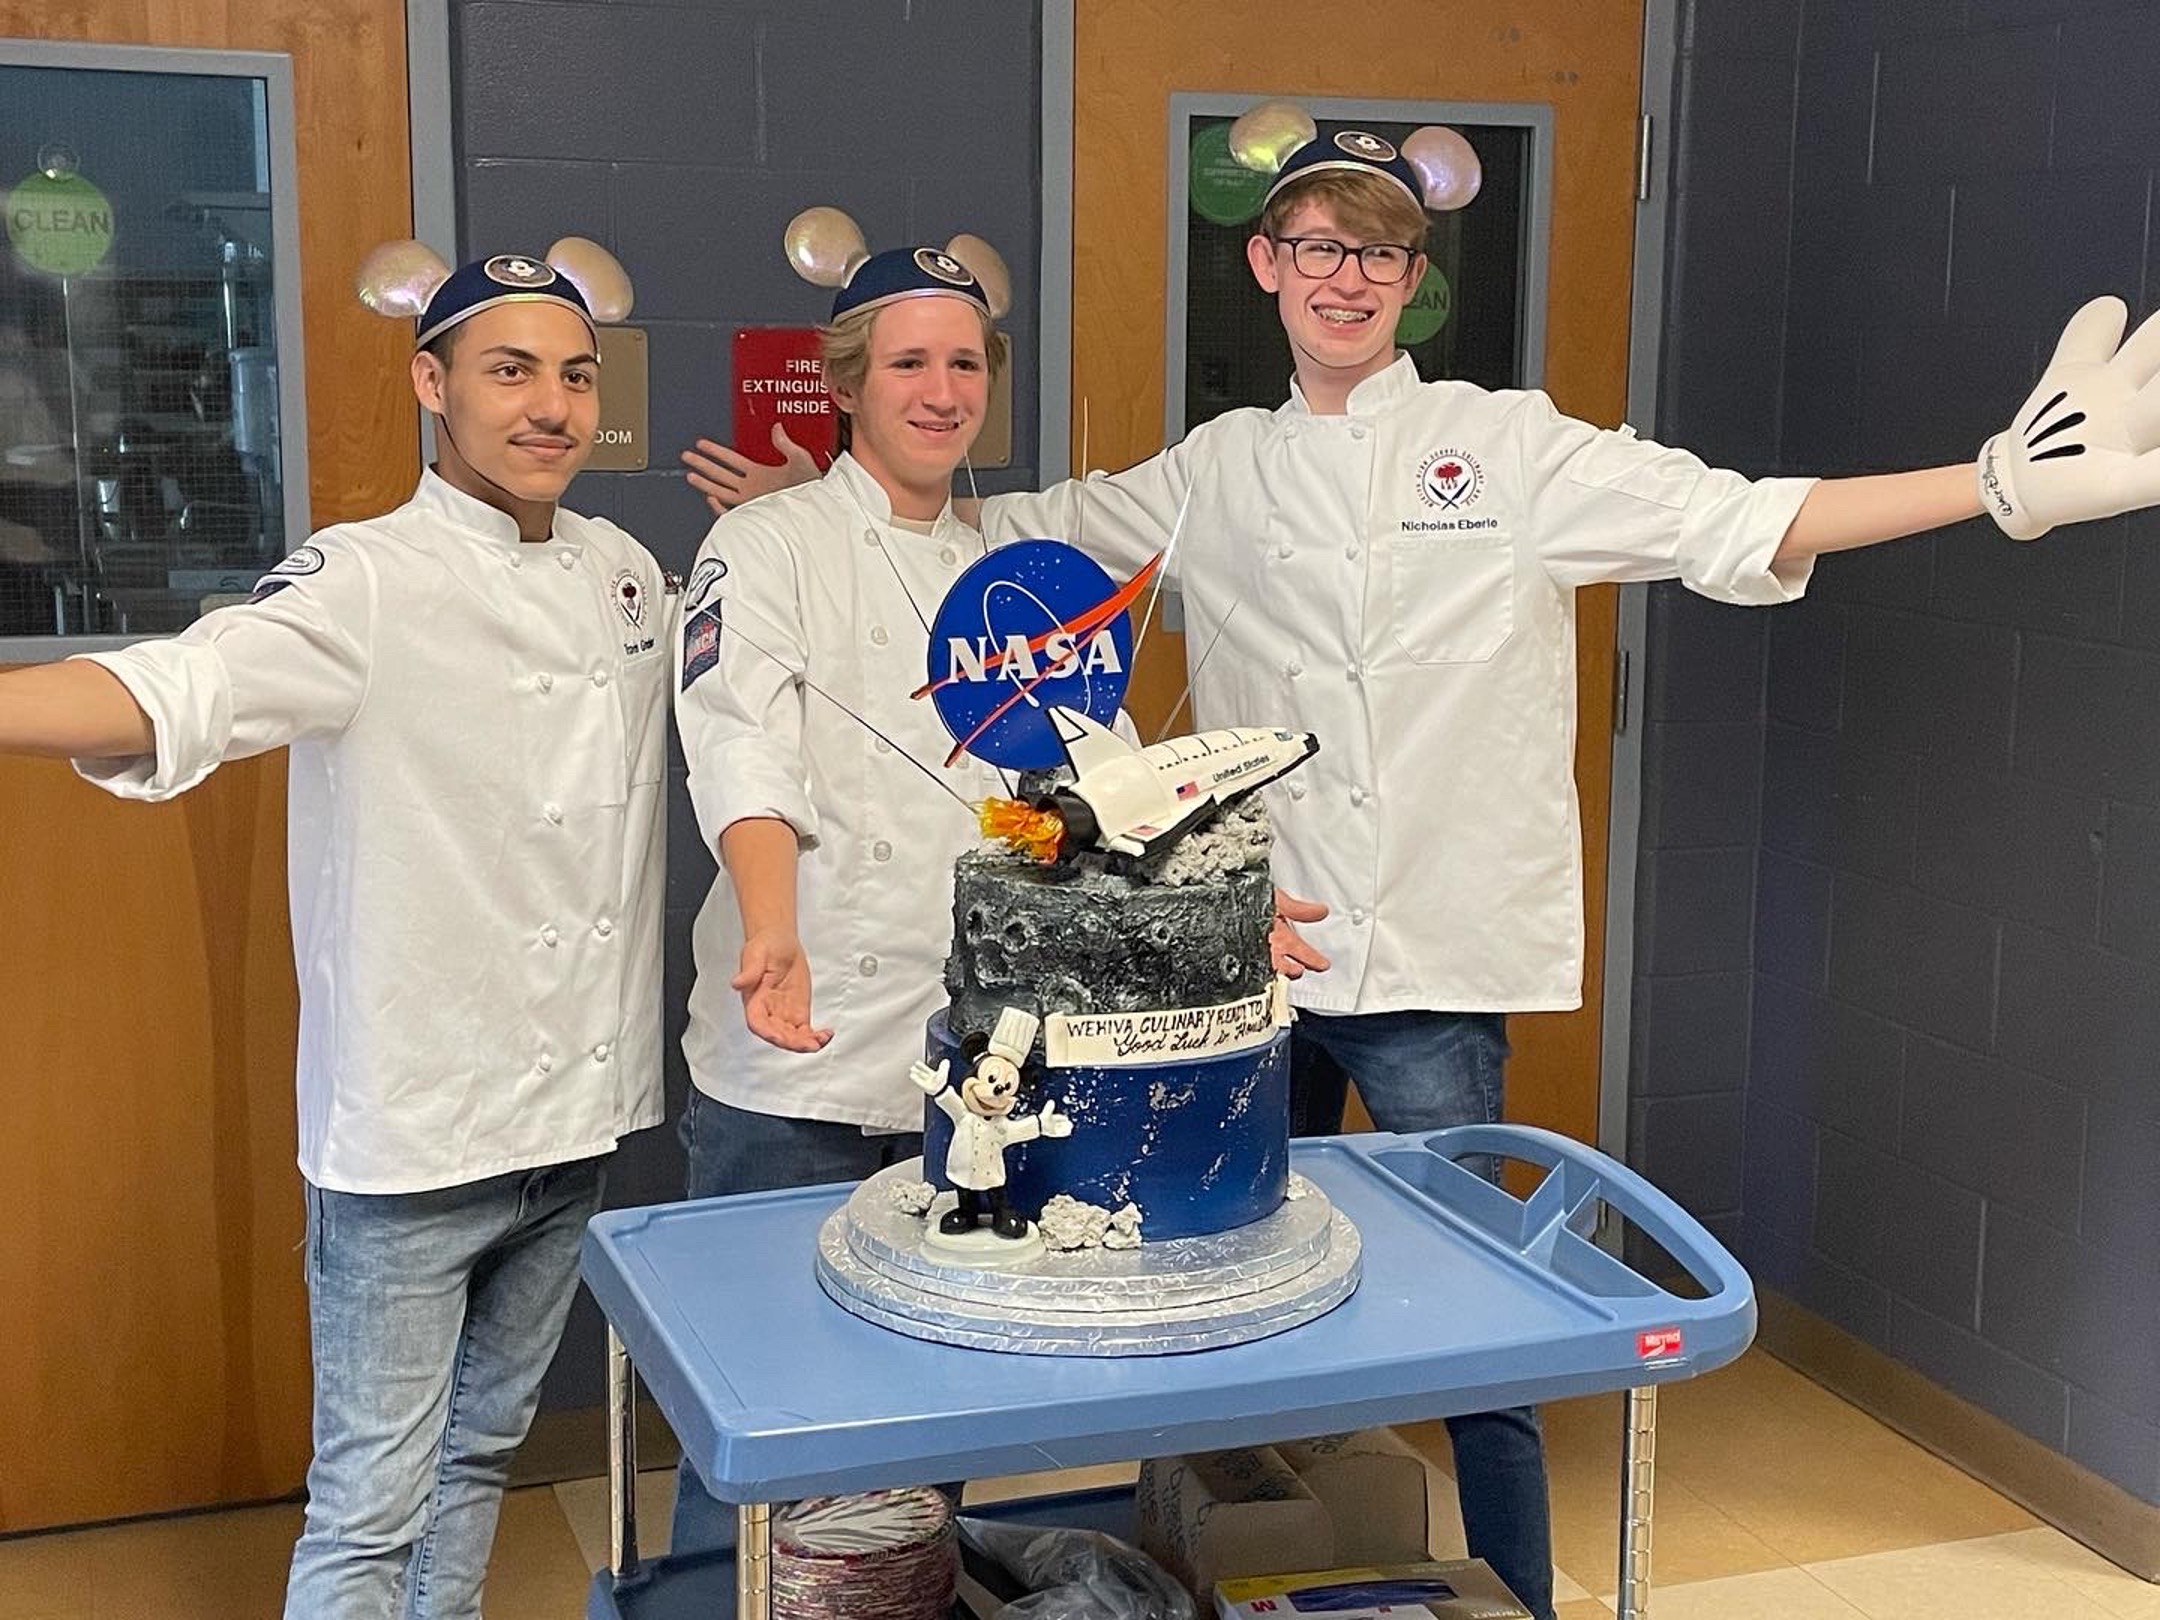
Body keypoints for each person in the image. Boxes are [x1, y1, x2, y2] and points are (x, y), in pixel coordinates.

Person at [679, 102, 2160, 1619]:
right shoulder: (1214, 470)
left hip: (1432, 968)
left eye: (1379, 253)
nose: (1347, 277)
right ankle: (1198, 1573)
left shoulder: (1511, 445)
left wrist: (1992, 487)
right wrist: (814, 517)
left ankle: (1515, 1591)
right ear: (1266, 262)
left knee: (1482, 1328)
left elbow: (1739, 521)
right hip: (1252, 964)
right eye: (1318, 246)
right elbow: (1000, 547)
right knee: (1192, 1286)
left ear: (1414, 280)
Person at [0, 237, 668, 1619]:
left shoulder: (624, 573)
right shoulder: (362, 580)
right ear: (432, 384)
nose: (550, 406)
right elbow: (179, 690)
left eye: (575, 375)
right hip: (413, 1138)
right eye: (509, 372)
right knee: (369, 1507)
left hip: (574, 1116)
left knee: (479, 1457)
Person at [669, 210, 1023, 1548]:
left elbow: (1064, 784)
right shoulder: (765, 546)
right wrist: (771, 925)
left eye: (965, 364)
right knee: (757, 1396)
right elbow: (738, 742)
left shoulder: (1005, 575)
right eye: (908, 364)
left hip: (965, 1062)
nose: (941, 392)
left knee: (936, 1395)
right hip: (796, 1058)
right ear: (846, 383)